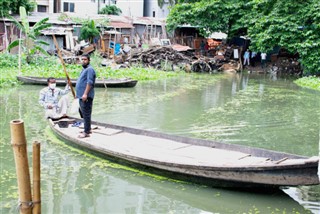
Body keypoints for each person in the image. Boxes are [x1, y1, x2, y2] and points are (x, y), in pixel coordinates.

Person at [76, 54, 96, 138]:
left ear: (89, 60)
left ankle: (86, 132)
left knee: (86, 113)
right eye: (82, 59)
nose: (83, 61)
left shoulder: (90, 69)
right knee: (83, 113)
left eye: (85, 60)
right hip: (81, 95)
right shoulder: (84, 69)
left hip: (86, 96)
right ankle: (87, 128)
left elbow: (89, 82)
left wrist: (85, 94)